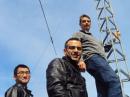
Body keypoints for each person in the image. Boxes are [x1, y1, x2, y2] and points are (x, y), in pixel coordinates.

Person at [72, 14, 123, 97]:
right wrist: (80, 60)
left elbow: (105, 48)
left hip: (100, 60)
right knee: (114, 80)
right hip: (92, 58)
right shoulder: (79, 34)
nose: (86, 23)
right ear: (80, 24)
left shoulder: (94, 39)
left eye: (88, 21)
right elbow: (75, 46)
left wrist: (114, 38)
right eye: (84, 21)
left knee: (103, 90)